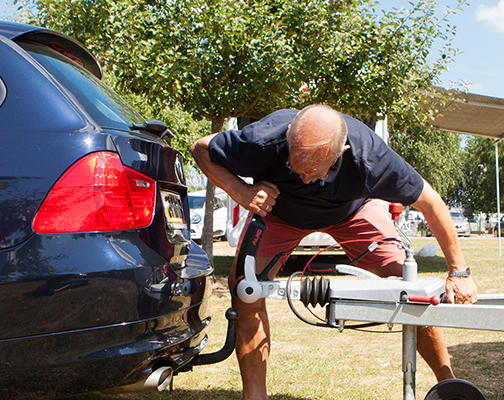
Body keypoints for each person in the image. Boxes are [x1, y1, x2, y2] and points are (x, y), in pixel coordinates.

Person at [190, 104, 479, 400]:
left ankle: (448, 385)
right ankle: (255, 397)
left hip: (352, 212)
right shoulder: (263, 140)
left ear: (339, 154)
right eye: (294, 167)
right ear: (288, 140)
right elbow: (200, 148)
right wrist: (241, 192)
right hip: (280, 214)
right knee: (244, 287)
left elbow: (431, 202)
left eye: (312, 172)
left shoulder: (371, 157)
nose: (303, 180)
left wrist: (458, 271)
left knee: (409, 287)